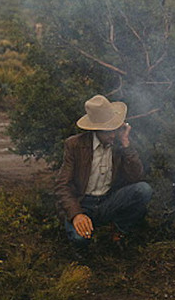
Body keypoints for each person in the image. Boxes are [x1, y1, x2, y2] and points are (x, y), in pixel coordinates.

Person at [55, 94, 152, 252]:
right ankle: (82, 244)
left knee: (143, 190)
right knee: (80, 240)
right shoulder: (75, 145)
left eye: (114, 129)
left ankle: (118, 231)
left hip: (108, 201)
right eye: (107, 131)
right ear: (95, 130)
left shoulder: (119, 143)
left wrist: (126, 145)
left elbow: (137, 177)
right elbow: (62, 185)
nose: (113, 135)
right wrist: (76, 214)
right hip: (83, 203)